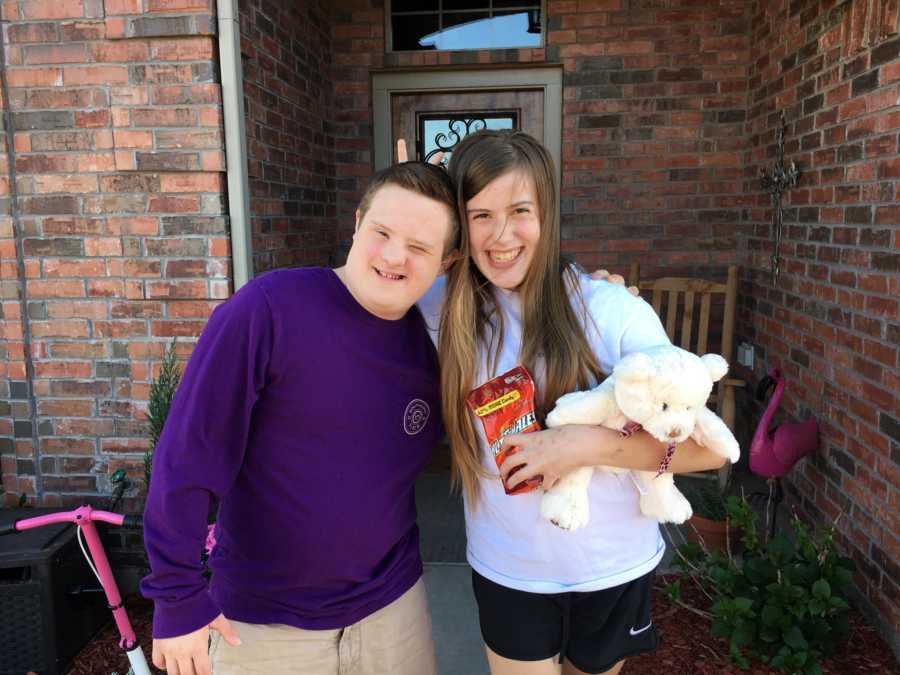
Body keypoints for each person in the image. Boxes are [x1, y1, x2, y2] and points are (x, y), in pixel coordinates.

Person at [417, 130, 729, 675]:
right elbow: (361, 291)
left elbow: (707, 451)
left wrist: (585, 444)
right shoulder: (443, 307)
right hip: (509, 567)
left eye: (520, 210)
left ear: (548, 213)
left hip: (612, 565)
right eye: (480, 214)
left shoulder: (610, 311)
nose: (502, 235)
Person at [141, 161, 459, 675]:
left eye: (421, 247)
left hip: (393, 612)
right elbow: (187, 457)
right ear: (357, 224)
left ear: (445, 261)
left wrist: (597, 296)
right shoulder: (268, 312)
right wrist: (176, 596)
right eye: (382, 232)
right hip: (265, 626)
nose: (396, 256)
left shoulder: (433, 345)